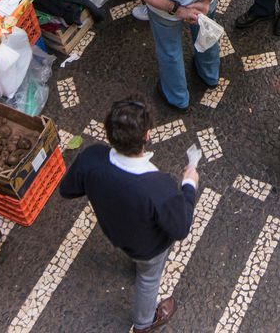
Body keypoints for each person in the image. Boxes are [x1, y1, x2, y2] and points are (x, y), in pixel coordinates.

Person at [59, 97, 195, 332]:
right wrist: (189, 185)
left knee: (137, 260)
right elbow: (180, 227)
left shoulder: (92, 157)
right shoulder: (159, 186)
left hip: (116, 232)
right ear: (147, 136)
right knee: (148, 277)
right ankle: (144, 323)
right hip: (148, 248)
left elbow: (68, 190)